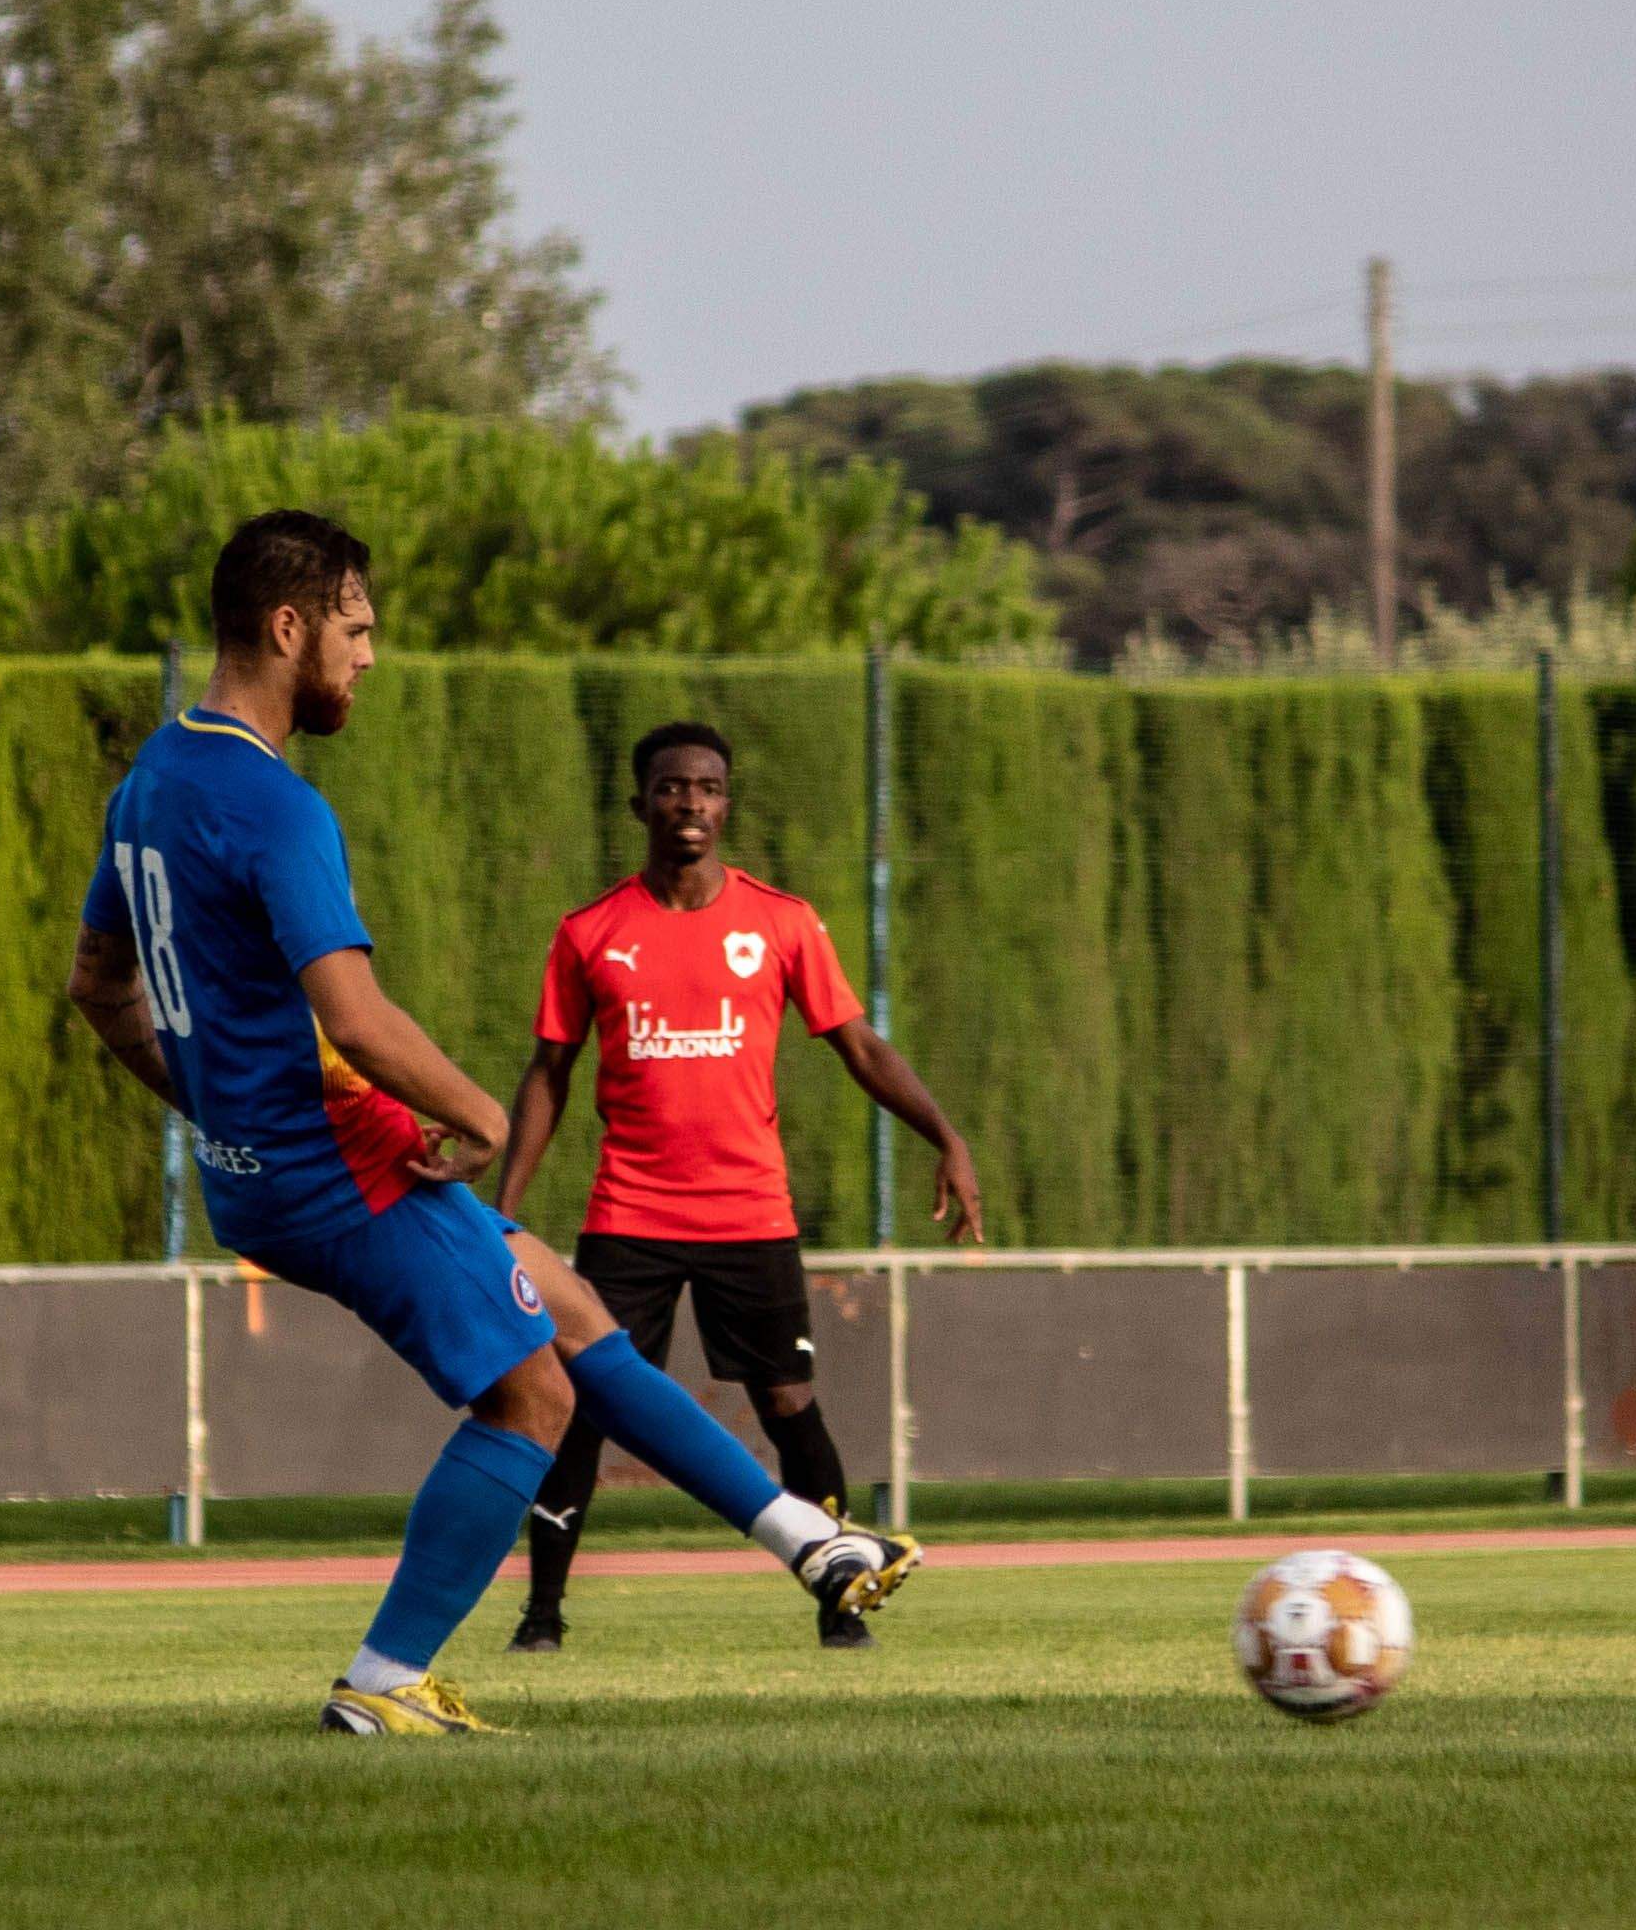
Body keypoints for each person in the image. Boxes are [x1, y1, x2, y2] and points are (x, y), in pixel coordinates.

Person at [66, 509, 918, 1738]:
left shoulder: (151, 780)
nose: (369, 656)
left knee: (568, 1309)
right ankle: (384, 1679)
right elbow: (356, 1020)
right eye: (356, 630)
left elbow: (99, 987)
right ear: (290, 627)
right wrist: (473, 1113)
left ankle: (812, 1543)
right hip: (338, 1165)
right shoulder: (276, 806)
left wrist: (218, 1105)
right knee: (532, 1400)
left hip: (254, 1171)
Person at [495, 720, 985, 1651]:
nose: (692, 802)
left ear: (727, 806)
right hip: (629, 1214)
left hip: (749, 1215)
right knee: (580, 1402)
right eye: (673, 787)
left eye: (710, 788)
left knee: (788, 1404)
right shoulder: (590, 933)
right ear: (639, 804)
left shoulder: (781, 923)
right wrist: (505, 1214)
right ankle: (542, 1617)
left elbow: (859, 1045)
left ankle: (842, 1605)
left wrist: (946, 1136)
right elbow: (548, 1073)